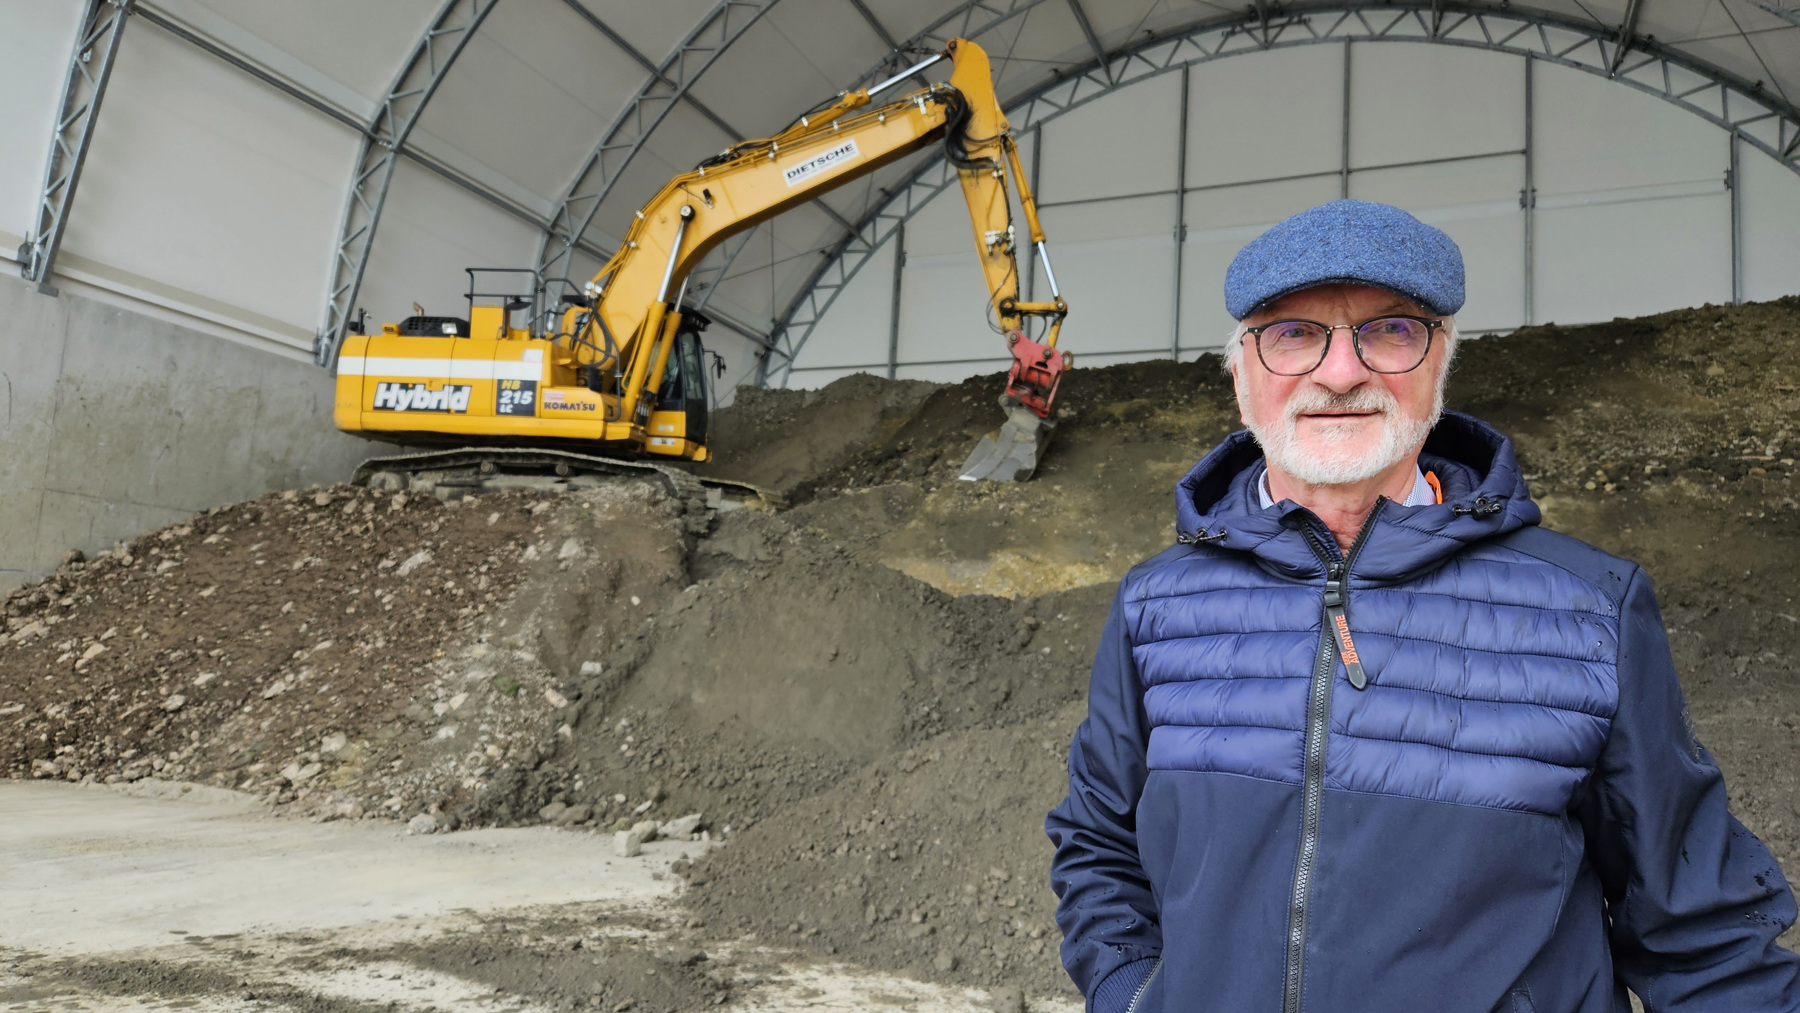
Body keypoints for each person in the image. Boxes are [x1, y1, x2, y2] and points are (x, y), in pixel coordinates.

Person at [1045, 199, 1800, 1013]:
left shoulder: (1587, 611)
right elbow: (1098, 846)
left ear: (1439, 367)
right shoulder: (1159, 603)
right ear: (1241, 377)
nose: (1340, 373)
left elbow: (1703, 932)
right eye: (1294, 333)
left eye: (1391, 331)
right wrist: (1135, 994)